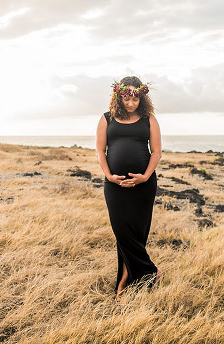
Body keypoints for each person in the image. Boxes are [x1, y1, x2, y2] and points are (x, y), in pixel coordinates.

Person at [96, 76, 162, 297]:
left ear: (141, 97)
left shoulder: (148, 119)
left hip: (144, 186)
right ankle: (152, 272)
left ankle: (124, 283)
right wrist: (109, 176)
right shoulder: (107, 119)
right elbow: (100, 151)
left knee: (137, 235)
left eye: (135, 99)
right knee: (122, 233)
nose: (131, 103)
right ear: (119, 96)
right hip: (115, 187)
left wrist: (145, 176)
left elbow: (157, 152)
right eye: (126, 98)